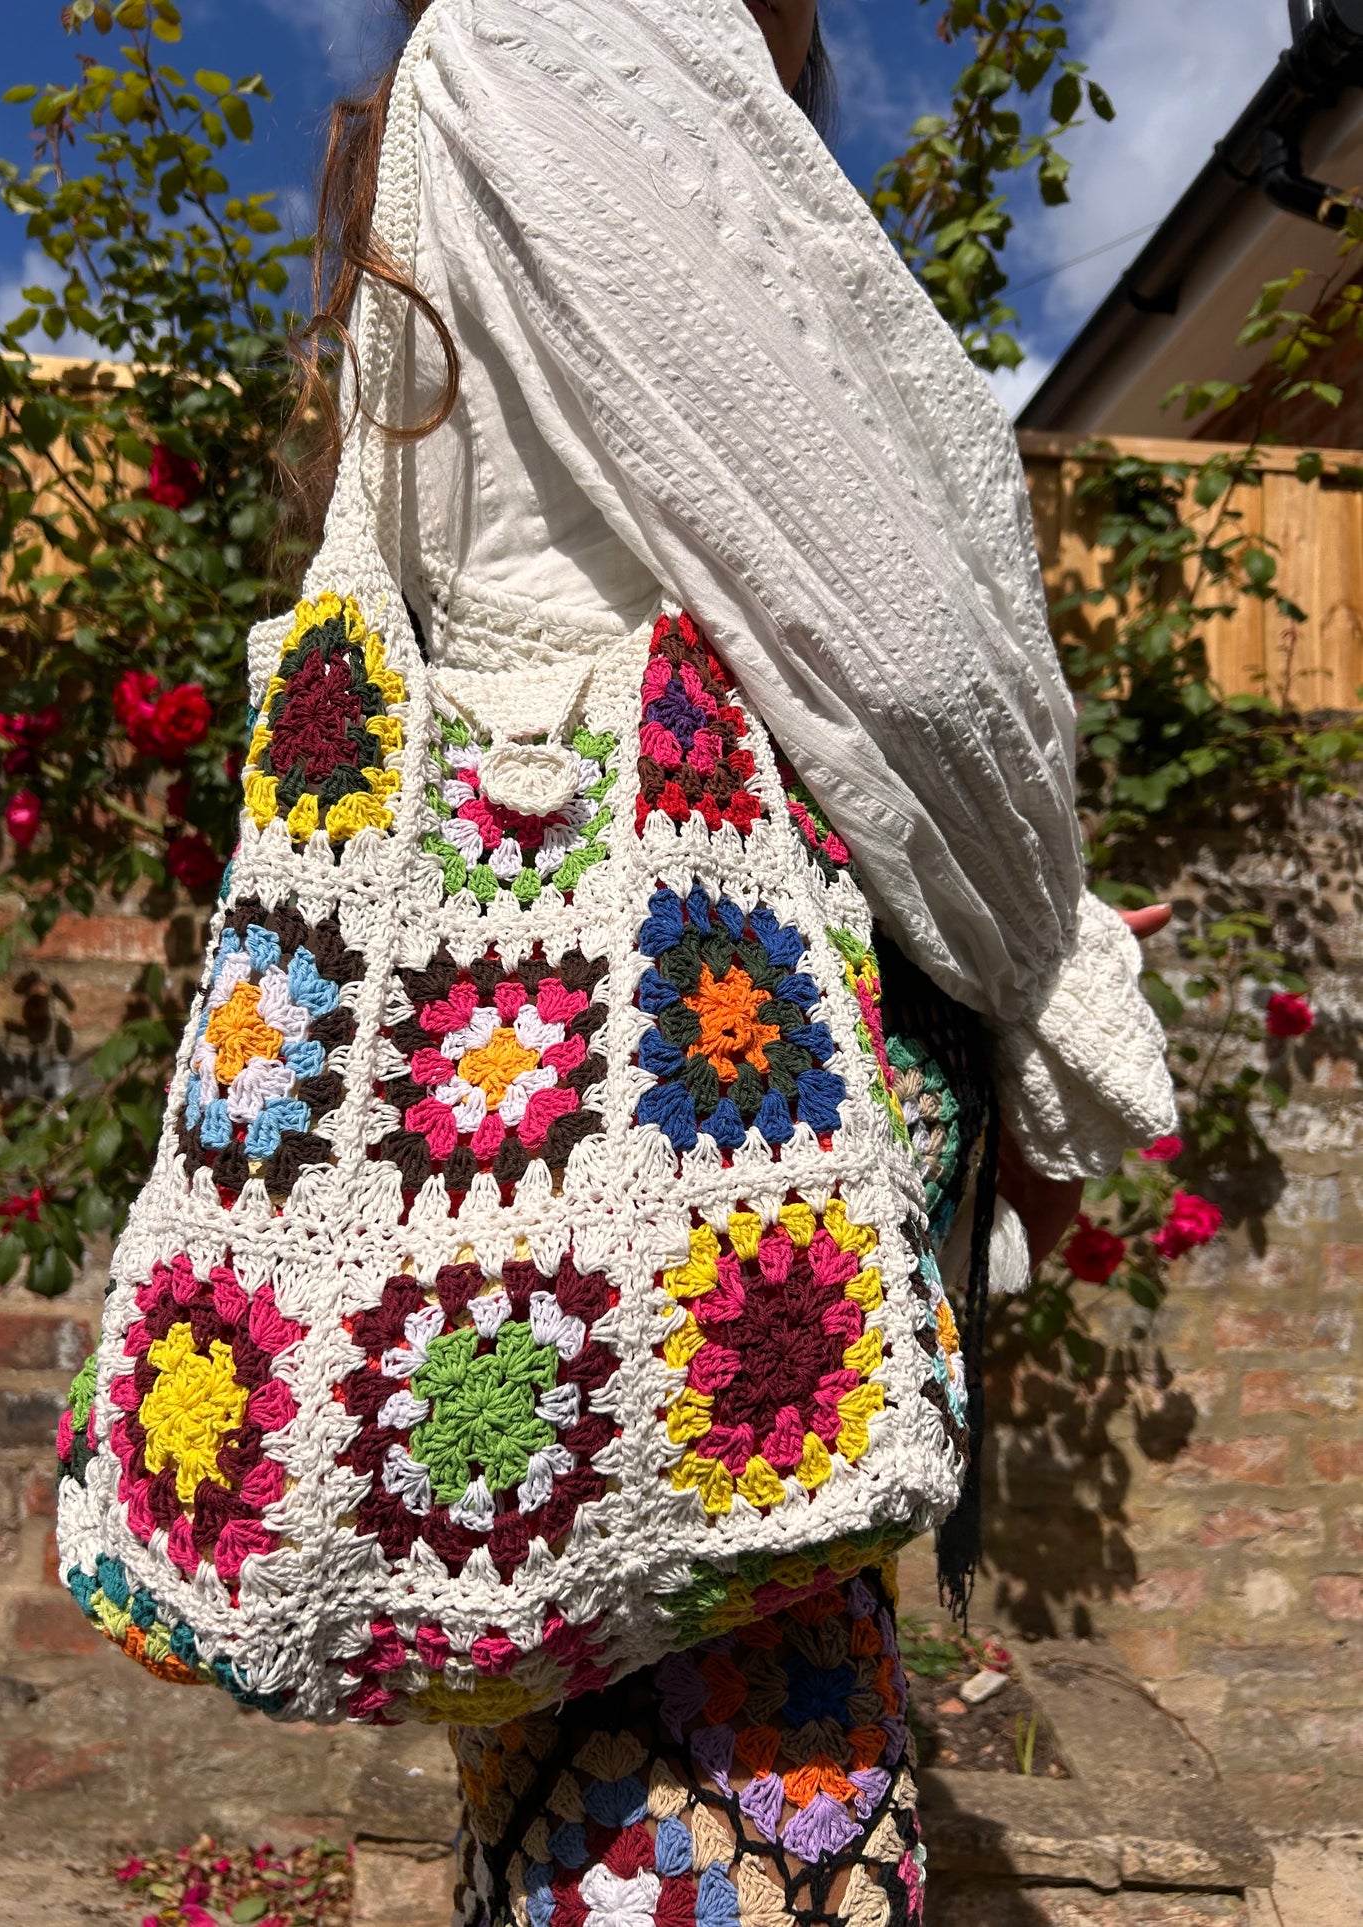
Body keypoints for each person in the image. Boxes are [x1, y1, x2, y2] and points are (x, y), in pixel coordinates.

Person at [291, 2, 1177, 1919]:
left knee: (556, 1633)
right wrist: (1045, 948)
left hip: (511, 1033)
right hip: (724, 998)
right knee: (747, 1677)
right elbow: (910, 654)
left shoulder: (438, 100)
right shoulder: (579, 57)